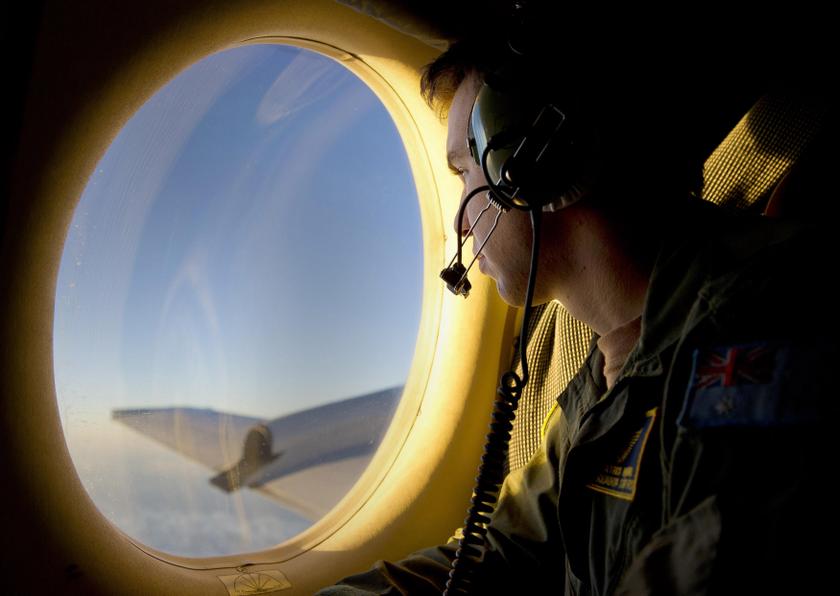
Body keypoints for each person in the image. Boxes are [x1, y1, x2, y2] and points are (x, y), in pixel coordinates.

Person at [319, 10, 837, 595]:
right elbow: (507, 551)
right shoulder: (600, 379)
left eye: (467, 172)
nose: (462, 220)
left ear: (539, 162)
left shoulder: (762, 326)